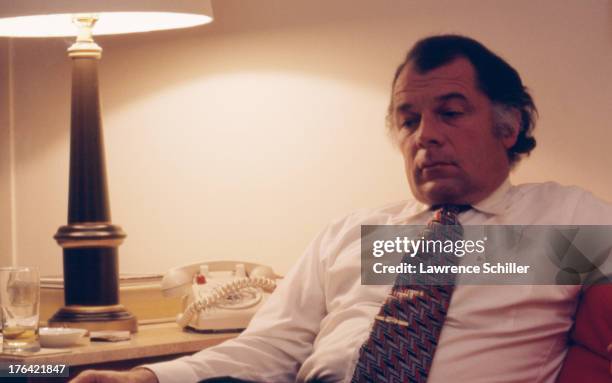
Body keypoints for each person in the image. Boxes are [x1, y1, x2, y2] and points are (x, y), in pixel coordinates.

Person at [71, 35, 612, 383]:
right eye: (408, 121)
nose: (426, 137)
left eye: (451, 113)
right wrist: (143, 377)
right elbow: (271, 348)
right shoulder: (354, 232)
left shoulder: (560, 219)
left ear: (509, 125)